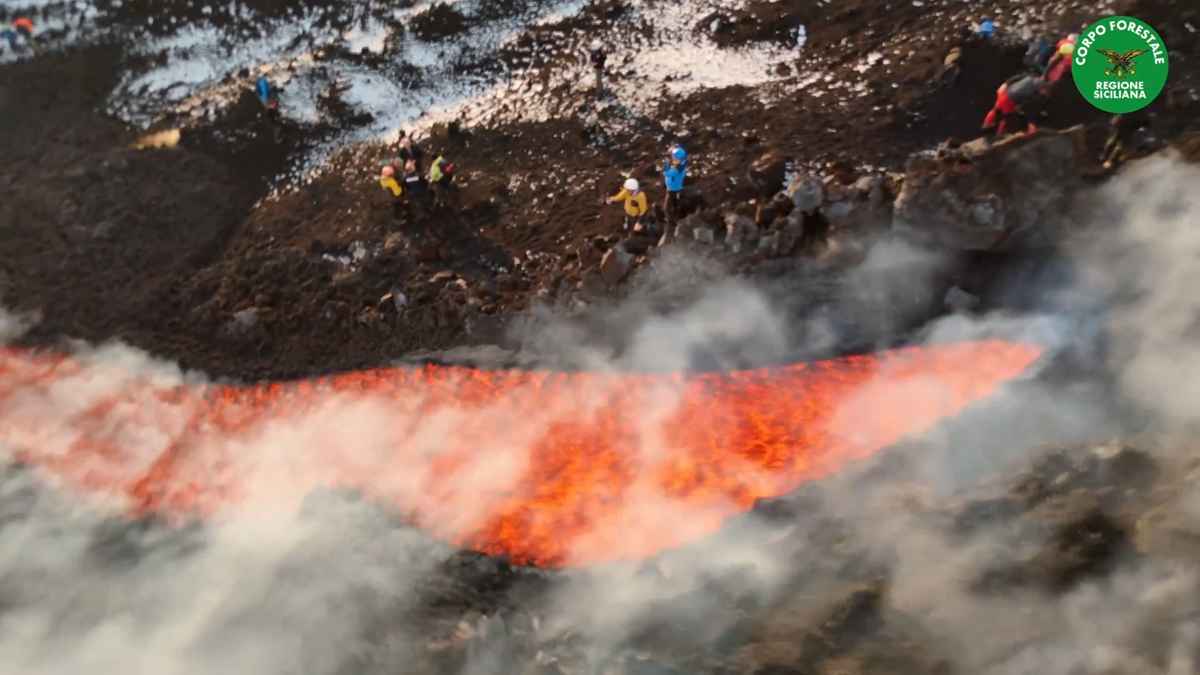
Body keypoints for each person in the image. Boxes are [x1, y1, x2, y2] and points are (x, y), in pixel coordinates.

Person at [982, 74, 1050, 137]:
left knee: (995, 109)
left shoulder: (1030, 77)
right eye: (1044, 91)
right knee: (1006, 118)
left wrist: (1006, 83)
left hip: (1004, 93)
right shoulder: (1034, 92)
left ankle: (986, 124)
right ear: (1041, 88)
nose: (1044, 93)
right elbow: (1027, 105)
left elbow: (1017, 78)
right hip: (1009, 101)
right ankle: (999, 134)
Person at [661, 145, 688, 225]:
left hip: (674, 190)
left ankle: (673, 222)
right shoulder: (679, 165)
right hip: (671, 189)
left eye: (675, 158)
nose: (673, 159)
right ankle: (674, 219)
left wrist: (666, 163)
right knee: (674, 205)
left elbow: (666, 173)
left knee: (668, 208)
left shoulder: (679, 169)